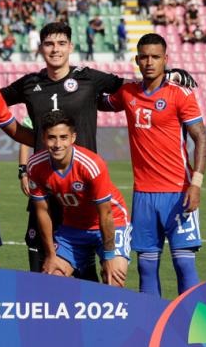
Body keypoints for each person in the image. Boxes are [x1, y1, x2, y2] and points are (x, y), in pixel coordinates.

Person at [0, 21, 196, 276]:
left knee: (97, 271)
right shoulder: (29, 84)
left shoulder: (89, 78)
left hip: (84, 188)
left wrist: (167, 76)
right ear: (41, 48)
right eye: (49, 44)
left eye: (61, 43)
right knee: (44, 268)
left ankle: (93, 311)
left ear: (70, 46)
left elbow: (134, 85)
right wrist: (29, 138)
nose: (55, 49)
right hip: (47, 183)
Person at [103, 33, 206, 296]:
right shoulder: (127, 93)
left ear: (166, 60)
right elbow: (97, 101)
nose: (150, 62)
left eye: (156, 57)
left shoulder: (180, 95)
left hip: (179, 191)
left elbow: (201, 139)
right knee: (147, 267)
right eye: (144, 57)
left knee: (184, 263)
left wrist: (196, 184)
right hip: (144, 195)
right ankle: (152, 326)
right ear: (137, 60)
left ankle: (190, 326)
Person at [27, 111, 130, 286]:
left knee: (114, 279)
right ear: (43, 138)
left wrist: (110, 257)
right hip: (72, 227)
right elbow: (42, 212)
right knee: (52, 277)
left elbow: (105, 215)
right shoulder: (35, 165)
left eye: (63, 137)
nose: (58, 144)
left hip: (111, 222)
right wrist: (51, 255)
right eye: (51, 138)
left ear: (73, 138)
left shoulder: (91, 164)